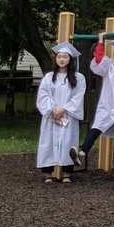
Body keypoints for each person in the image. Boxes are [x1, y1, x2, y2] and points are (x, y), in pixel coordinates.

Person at [71, 36, 114, 169]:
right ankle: (82, 152)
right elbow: (98, 60)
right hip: (108, 106)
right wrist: (100, 42)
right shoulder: (109, 65)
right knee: (96, 130)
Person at [37, 41, 85, 184]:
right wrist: (52, 110)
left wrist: (63, 109)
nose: (62, 59)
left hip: (68, 115)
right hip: (51, 116)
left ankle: (66, 173)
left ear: (70, 60)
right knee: (48, 142)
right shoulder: (49, 77)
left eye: (65, 57)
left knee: (67, 142)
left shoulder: (78, 78)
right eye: (59, 57)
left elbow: (78, 96)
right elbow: (43, 95)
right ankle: (48, 174)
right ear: (56, 59)